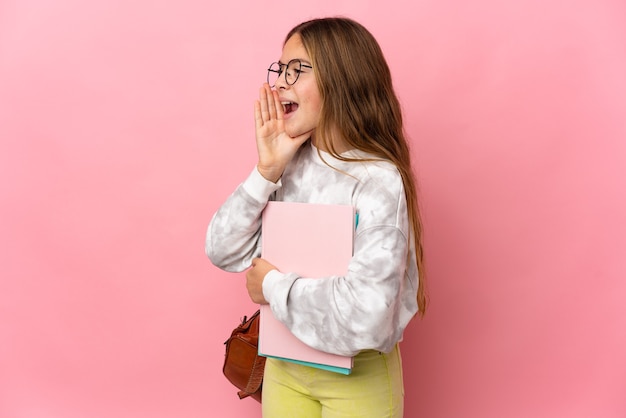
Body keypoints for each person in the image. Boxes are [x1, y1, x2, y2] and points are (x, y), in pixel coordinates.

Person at [206, 17, 427, 418]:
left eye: (297, 70)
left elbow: (367, 316)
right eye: (280, 69)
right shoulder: (288, 164)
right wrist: (266, 170)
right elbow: (222, 251)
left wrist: (273, 285)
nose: (280, 83)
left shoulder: (378, 179)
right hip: (284, 370)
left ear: (341, 78)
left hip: (357, 381)